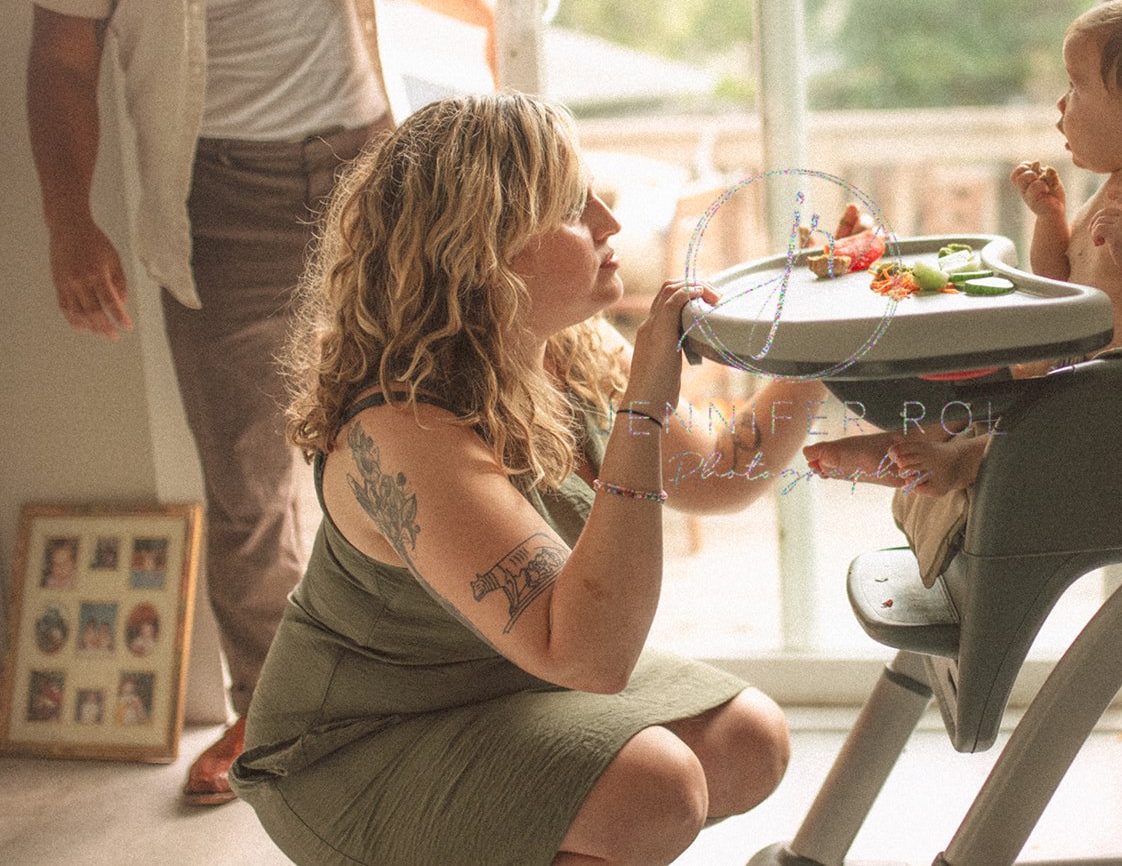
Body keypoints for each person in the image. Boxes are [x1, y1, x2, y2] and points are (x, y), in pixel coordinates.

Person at [25, 0, 496, 803]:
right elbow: (62, 63)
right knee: (247, 475)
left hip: (375, 175)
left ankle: (452, 677)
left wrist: (494, 15)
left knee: (429, 435)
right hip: (219, 194)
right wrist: (71, 221)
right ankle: (273, 705)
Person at [228, 93, 833, 866]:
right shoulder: (400, 427)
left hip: (505, 681)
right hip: (359, 742)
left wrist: (817, 325)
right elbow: (589, 655)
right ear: (485, 249)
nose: (611, 223)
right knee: (659, 788)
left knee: (751, 740)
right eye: (574, 208)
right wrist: (642, 412)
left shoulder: (561, 347)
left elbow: (720, 471)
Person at [803, 0, 1122, 581]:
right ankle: (901, 433)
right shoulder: (1108, 194)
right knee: (967, 387)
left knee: (1026, 421)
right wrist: (1051, 222)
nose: (1061, 106)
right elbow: (1057, 280)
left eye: (1076, 88)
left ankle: (955, 464)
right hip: (1064, 371)